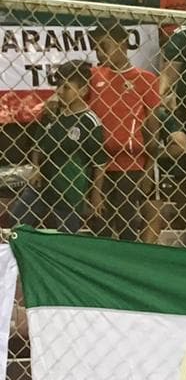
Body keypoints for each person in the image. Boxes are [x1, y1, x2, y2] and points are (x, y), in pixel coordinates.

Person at [9, 61, 105, 234]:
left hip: (69, 189)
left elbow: (99, 163)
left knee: (67, 234)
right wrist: (36, 167)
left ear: (83, 91)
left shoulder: (90, 122)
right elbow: (38, 145)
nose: (60, 91)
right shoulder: (52, 113)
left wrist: (96, 195)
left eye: (66, 88)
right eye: (59, 86)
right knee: (15, 222)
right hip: (41, 184)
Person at [88, 22, 162, 242]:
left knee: (127, 222)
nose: (99, 52)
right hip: (95, 162)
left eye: (104, 46)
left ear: (122, 44)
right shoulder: (92, 76)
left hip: (130, 164)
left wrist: (149, 168)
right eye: (96, 48)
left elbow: (152, 128)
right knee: (98, 223)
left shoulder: (146, 80)